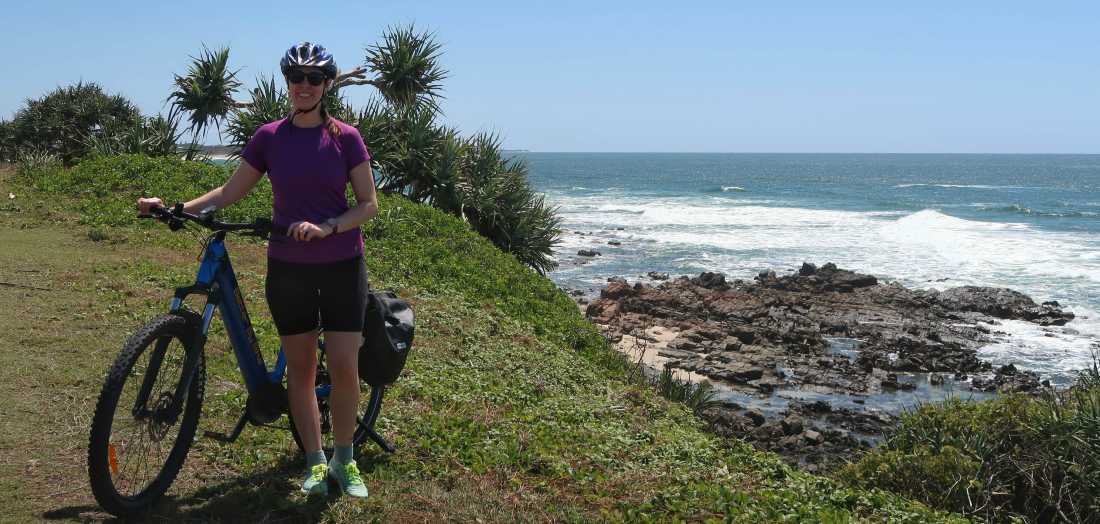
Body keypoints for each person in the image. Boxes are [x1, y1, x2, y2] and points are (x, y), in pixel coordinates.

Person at [137, 42, 377, 498]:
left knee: (344, 367)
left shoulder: (346, 138)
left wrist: (328, 226)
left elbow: (368, 204)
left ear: (327, 85)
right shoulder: (270, 137)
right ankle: (316, 463)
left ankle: (345, 459)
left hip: (343, 265)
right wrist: (175, 208)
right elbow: (228, 193)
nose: (304, 86)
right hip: (288, 267)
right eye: (296, 78)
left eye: (314, 79)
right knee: (300, 369)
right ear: (288, 82)